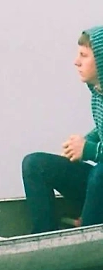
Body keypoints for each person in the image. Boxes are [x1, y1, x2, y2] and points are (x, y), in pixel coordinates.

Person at [21, 27, 103, 233]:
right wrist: (85, 142)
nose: (76, 62)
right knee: (34, 164)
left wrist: (89, 150)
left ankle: (86, 234)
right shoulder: (97, 94)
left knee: (100, 173)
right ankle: (44, 236)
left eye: (84, 56)